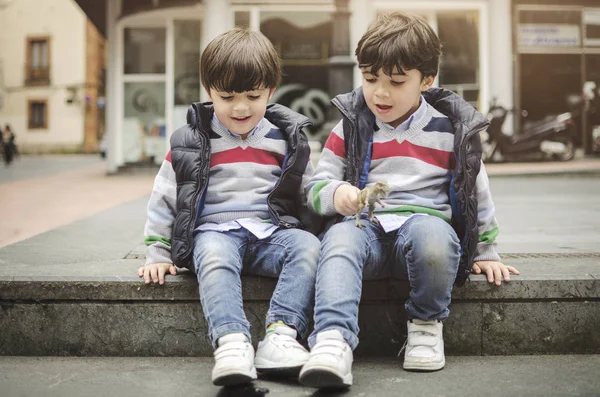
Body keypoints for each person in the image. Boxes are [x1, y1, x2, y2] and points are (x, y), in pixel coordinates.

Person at [299, 12, 520, 389]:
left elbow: (475, 193)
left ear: (427, 80)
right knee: (337, 243)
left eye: (396, 82)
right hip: (364, 226)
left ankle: (425, 325)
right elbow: (315, 186)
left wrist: (486, 250)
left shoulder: (450, 130)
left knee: (434, 242)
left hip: (424, 224)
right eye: (370, 79)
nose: (380, 93)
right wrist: (340, 196)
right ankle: (333, 339)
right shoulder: (351, 124)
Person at [139, 28, 321, 387]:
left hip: (271, 232)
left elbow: (308, 190)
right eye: (227, 96)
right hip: (214, 232)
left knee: (309, 248)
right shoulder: (191, 141)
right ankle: (231, 342)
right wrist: (157, 252)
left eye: (253, 96)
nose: (240, 107)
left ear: (270, 90)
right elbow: (165, 196)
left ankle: (281, 335)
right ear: (209, 92)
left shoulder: (285, 139)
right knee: (216, 257)